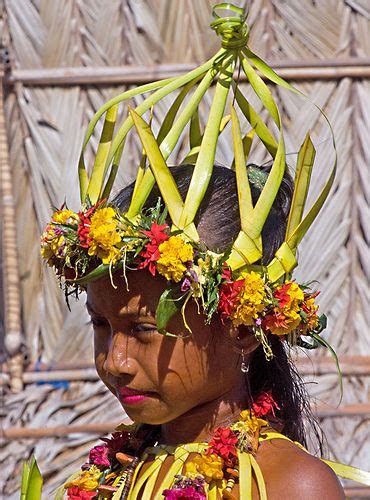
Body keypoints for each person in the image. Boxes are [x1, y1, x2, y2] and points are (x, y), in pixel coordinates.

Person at [35, 4, 370, 499]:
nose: (115, 361)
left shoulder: (287, 484)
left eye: (143, 329)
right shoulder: (116, 474)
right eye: (101, 325)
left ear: (240, 330)